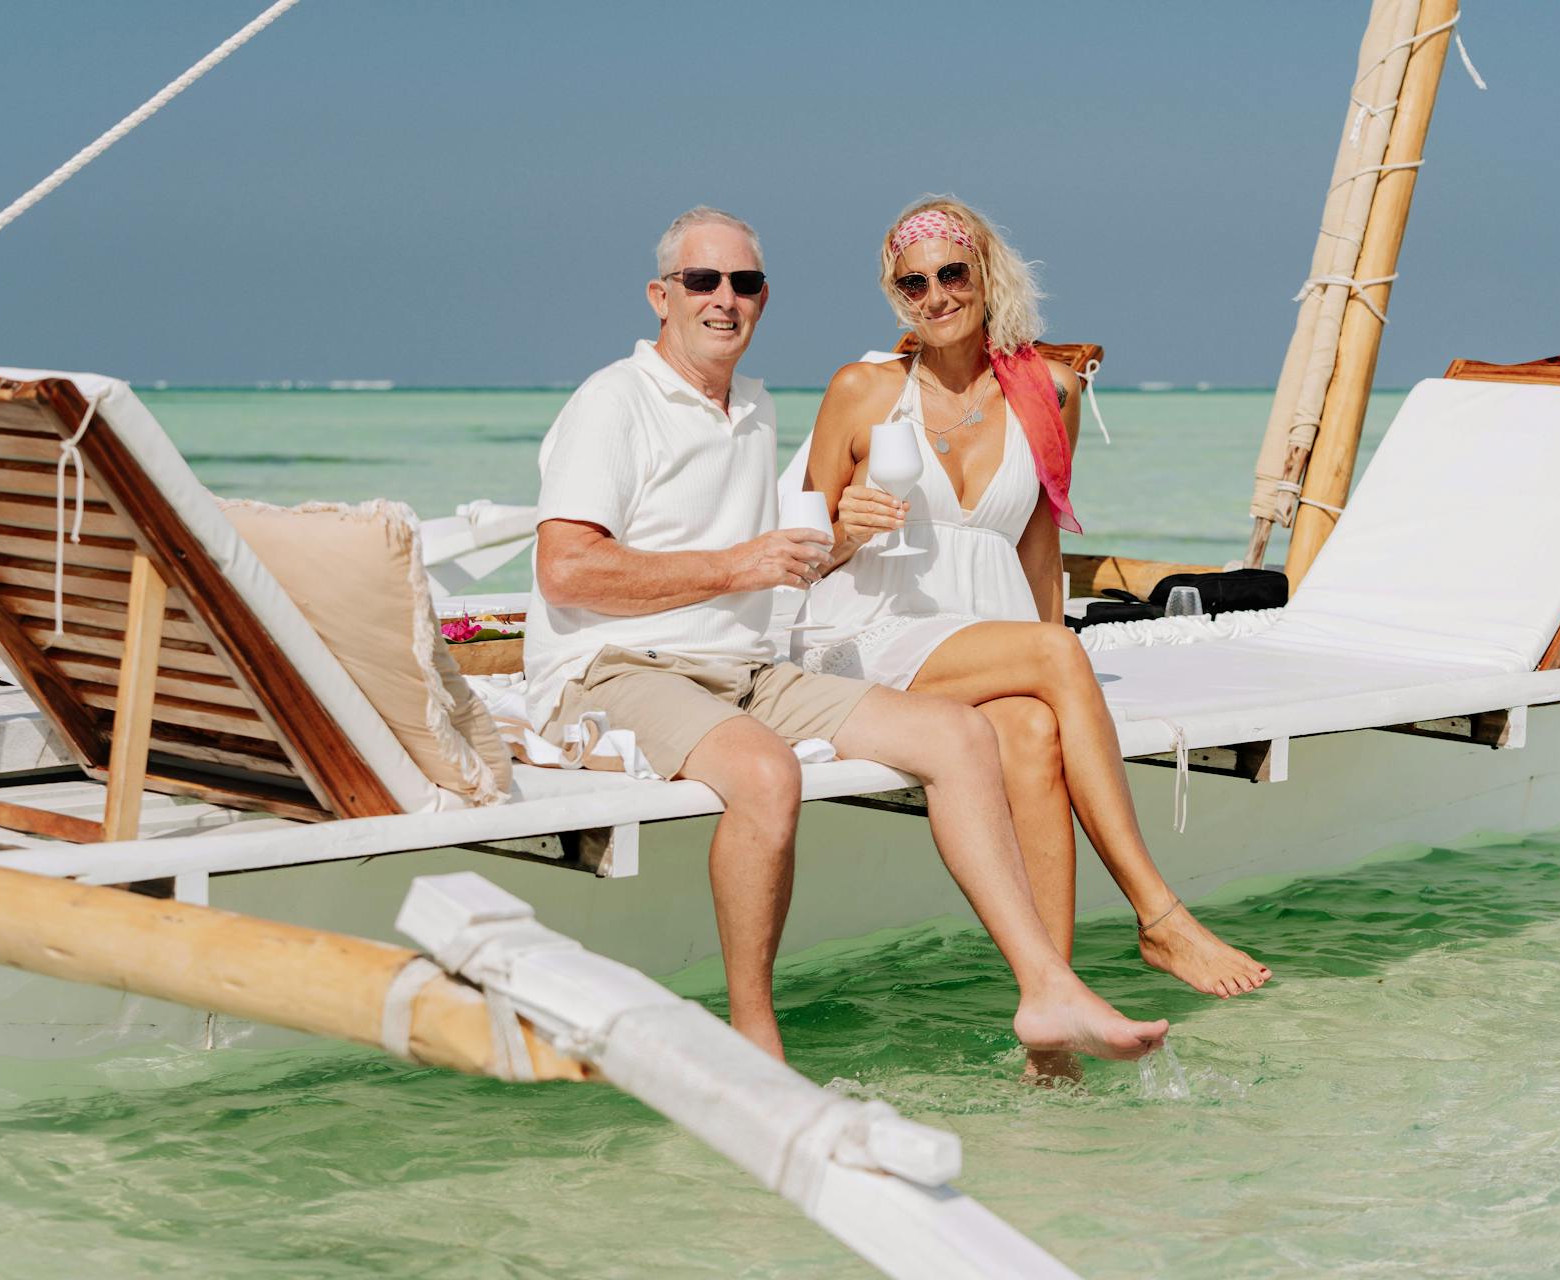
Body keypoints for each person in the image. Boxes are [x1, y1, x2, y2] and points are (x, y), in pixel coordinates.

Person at [524, 206, 1167, 1064]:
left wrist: (840, 539)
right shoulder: (615, 401)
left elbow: (799, 558)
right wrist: (737, 566)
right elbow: (566, 571)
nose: (724, 299)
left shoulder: (752, 410)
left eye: (744, 282)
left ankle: (1047, 992)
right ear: (660, 296)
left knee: (961, 735)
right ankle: (755, 1040)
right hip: (614, 666)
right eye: (702, 280)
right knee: (765, 770)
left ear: (764, 297)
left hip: (745, 668)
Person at [795, 197, 1271, 999]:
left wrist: (1054, 678)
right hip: (870, 631)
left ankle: (1054, 1007)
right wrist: (846, 531)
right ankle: (1158, 914)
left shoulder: (1048, 391)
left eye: (953, 273)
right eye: (914, 284)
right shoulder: (862, 390)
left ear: (986, 274)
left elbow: (1039, 547)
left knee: (1036, 729)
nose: (936, 296)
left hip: (985, 639)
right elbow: (801, 555)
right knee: (1055, 652)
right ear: (896, 296)